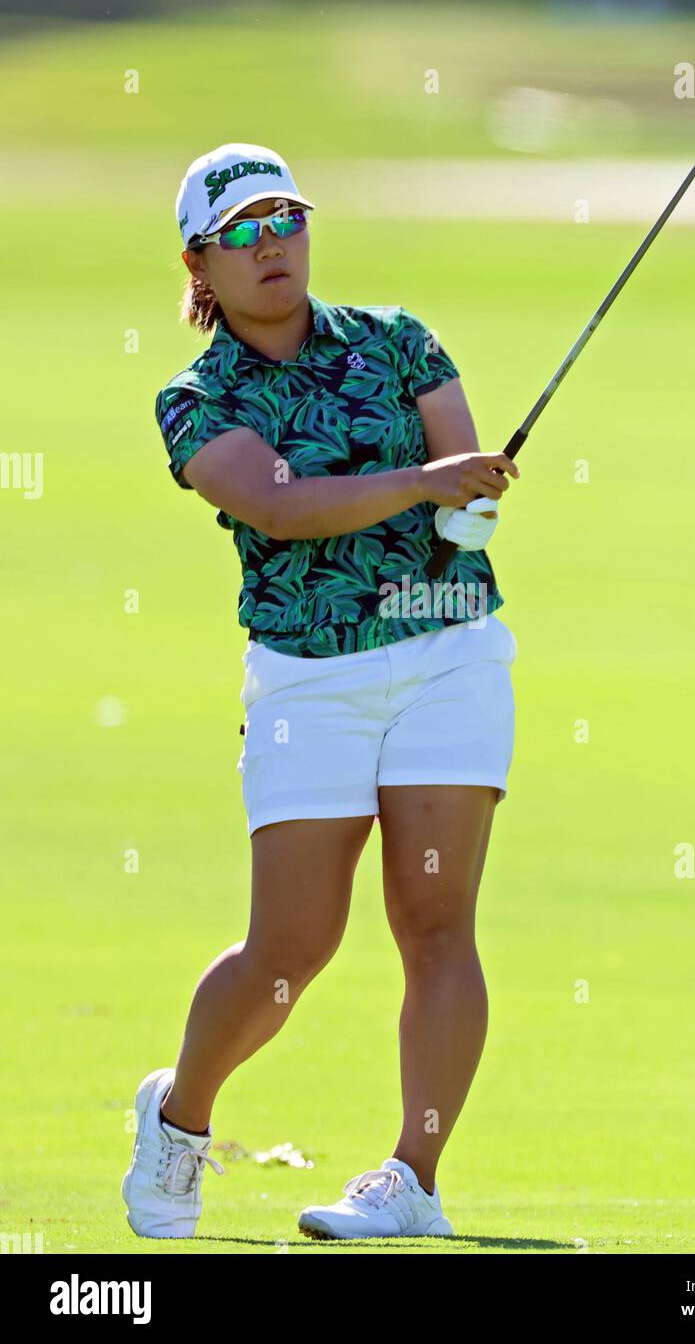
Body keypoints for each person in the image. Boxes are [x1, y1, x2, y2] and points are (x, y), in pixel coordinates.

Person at [122, 143, 520, 1241]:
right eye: (242, 232)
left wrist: (470, 501)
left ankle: (412, 1179)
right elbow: (279, 506)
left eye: (285, 219)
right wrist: (425, 483)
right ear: (199, 263)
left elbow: (460, 494)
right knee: (291, 948)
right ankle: (180, 1115)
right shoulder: (196, 399)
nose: (272, 246)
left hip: (447, 650)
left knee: (436, 924)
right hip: (309, 676)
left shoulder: (399, 340)